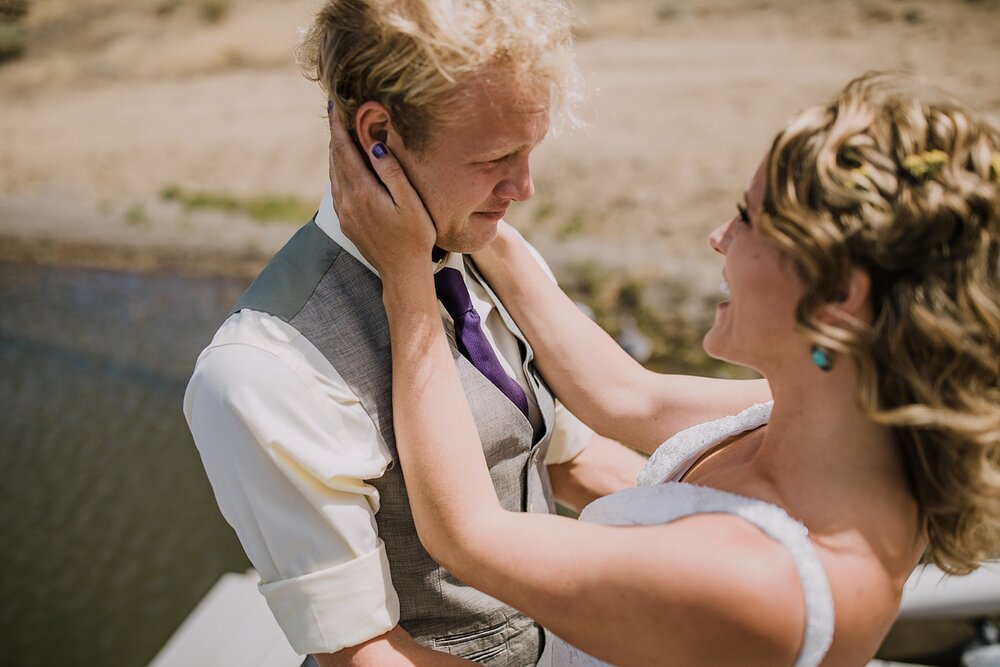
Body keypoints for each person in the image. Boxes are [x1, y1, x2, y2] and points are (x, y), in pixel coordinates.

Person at [329, 72, 1000, 666]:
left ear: (840, 296)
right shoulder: (854, 416)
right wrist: (469, 214)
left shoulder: (760, 582)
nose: (719, 236)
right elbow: (626, 395)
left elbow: (468, 535)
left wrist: (404, 274)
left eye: (748, 217)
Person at [184, 1, 768, 664]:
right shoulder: (260, 373)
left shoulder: (489, 254)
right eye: (497, 157)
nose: (525, 186)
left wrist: (729, 553)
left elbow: (570, 462)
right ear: (378, 134)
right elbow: (365, 654)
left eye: (530, 151)